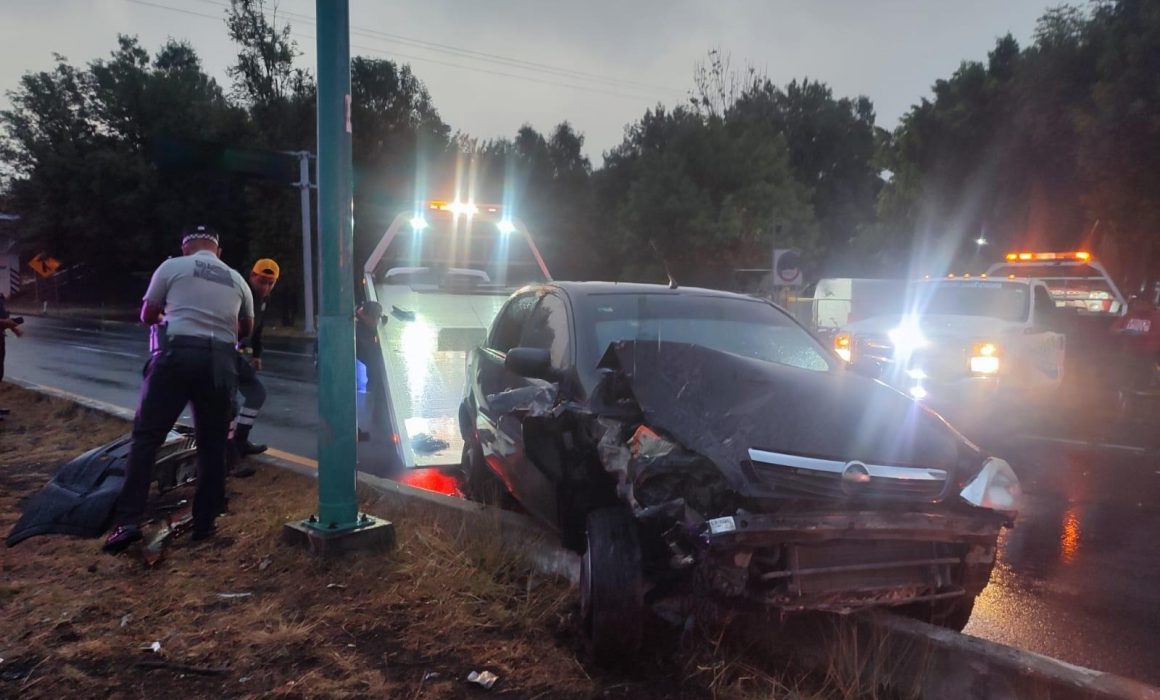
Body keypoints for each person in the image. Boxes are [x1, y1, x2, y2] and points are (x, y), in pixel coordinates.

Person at [103, 225, 254, 553]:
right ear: (219, 251)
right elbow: (246, 328)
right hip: (220, 363)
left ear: (186, 247)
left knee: (147, 439)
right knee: (213, 445)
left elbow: (147, 314)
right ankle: (205, 523)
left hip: (176, 354)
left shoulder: (172, 267)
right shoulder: (237, 278)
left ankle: (127, 522)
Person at [227, 258, 279, 477]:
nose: (265, 286)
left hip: (236, 354)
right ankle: (229, 459)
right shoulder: (239, 293)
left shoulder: (263, 301)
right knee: (228, 407)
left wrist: (257, 355)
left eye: (270, 282)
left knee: (256, 393)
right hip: (221, 352)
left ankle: (240, 441)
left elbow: (257, 331)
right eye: (262, 281)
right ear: (252, 276)